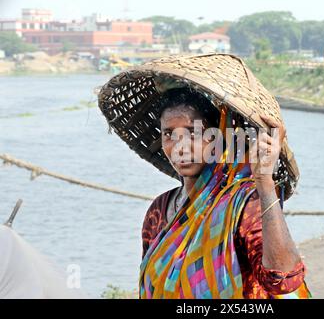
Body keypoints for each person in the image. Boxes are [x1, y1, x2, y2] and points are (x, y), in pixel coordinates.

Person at [98, 53, 311, 299]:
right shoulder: (158, 211)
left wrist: (264, 184)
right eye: (169, 134)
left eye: (193, 132)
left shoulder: (244, 204)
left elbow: (284, 279)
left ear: (217, 136)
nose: (180, 146)